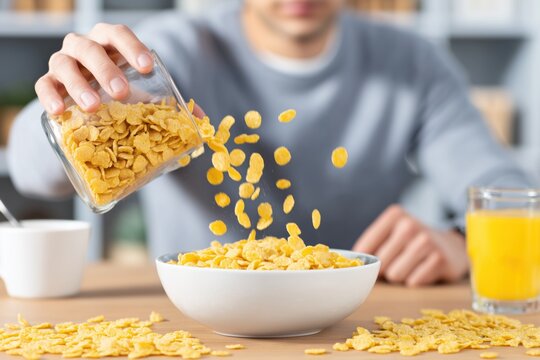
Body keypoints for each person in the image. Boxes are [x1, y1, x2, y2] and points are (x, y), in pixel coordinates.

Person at [7, 0, 535, 286]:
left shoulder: (412, 62)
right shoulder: (166, 51)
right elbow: (36, 174)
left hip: (359, 326)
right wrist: (68, 105)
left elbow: (505, 189)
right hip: (202, 328)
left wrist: (461, 243)